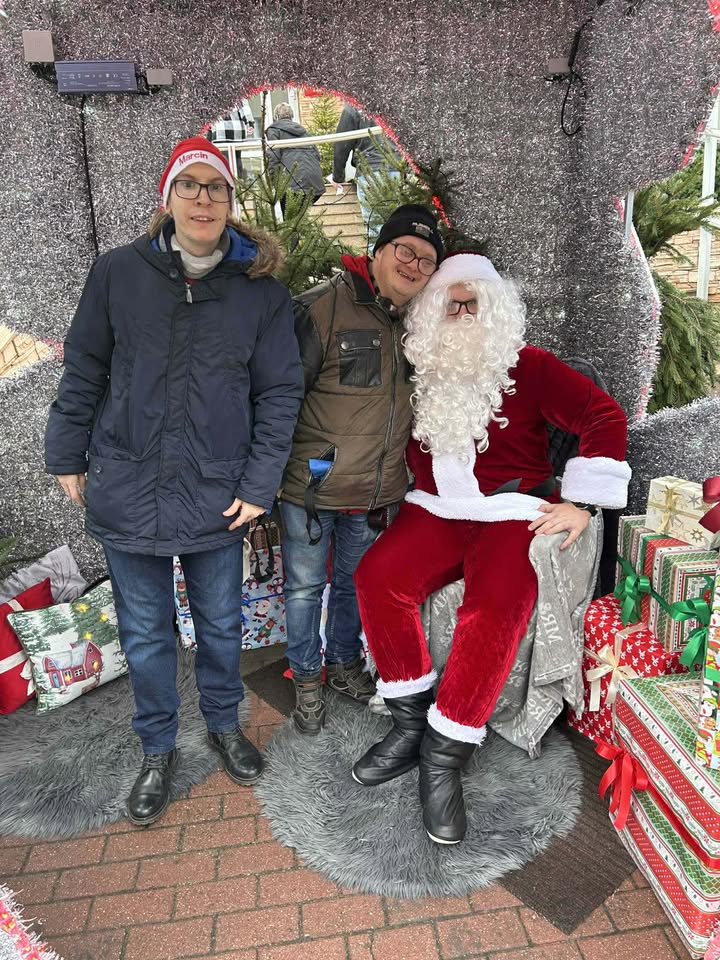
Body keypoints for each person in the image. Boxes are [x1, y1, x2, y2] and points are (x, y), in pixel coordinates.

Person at [45, 136, 304, 826]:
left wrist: (260, 482)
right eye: (188, 185)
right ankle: (157, 747)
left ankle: (223, 725)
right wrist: (67, 454)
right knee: (146, 632)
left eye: (215, 187)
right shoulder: (117, 274)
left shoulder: (260, 294)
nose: (202, 199)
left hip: (218, 492)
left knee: (220, 625)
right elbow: (85, 367)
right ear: (168, 198)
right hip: (128, 484)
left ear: (230, 202)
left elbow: (279, 393)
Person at [351, 253, 631, 844]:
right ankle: (409, 724)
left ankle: (444, 753)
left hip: (509, 512)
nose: (460, 312)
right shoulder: (419, 365)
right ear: (430, 311)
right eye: (449, 303)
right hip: (434, 511)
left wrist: (583, 501)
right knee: (377, 577)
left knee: (495, 607)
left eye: (471, 301)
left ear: (494, 307)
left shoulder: (529, 366)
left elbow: (602, 414)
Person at [279, 204, 445, 736]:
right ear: (378, 250)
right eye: (404, 250)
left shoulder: (422, 324)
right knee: (305, 588)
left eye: (426, 260)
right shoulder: (322, 308)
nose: (413, 265)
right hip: (313, 485)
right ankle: (307, 678)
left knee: (356, 584)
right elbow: (279, 398)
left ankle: (344, 663)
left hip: (376, 493)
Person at [331, 104, 402, 243]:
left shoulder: (354, 105)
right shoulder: (395, 102)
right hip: (399, 167)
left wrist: (337, 177)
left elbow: (341, 144)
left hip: (370, 170)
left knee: (375, 231)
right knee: (401, 226)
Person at [266, 102, 325, 213]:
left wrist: (275, 183)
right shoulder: (304, 131)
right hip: (314, 182)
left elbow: (273, 157)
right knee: (300, 217)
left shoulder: (274, 130)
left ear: (276, 117)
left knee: (290, 219)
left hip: (291, 184)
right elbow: (317, 155)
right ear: (292, 116)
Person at [207, 99, 256, 179]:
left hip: (220, 131)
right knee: (237, 159)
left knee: (223, 161)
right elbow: (245, 108)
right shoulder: (237, 92)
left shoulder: (212, 94)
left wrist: (209, 133)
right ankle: (238, 181)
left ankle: (227, 182)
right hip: (237, 131)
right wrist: (250, 123)